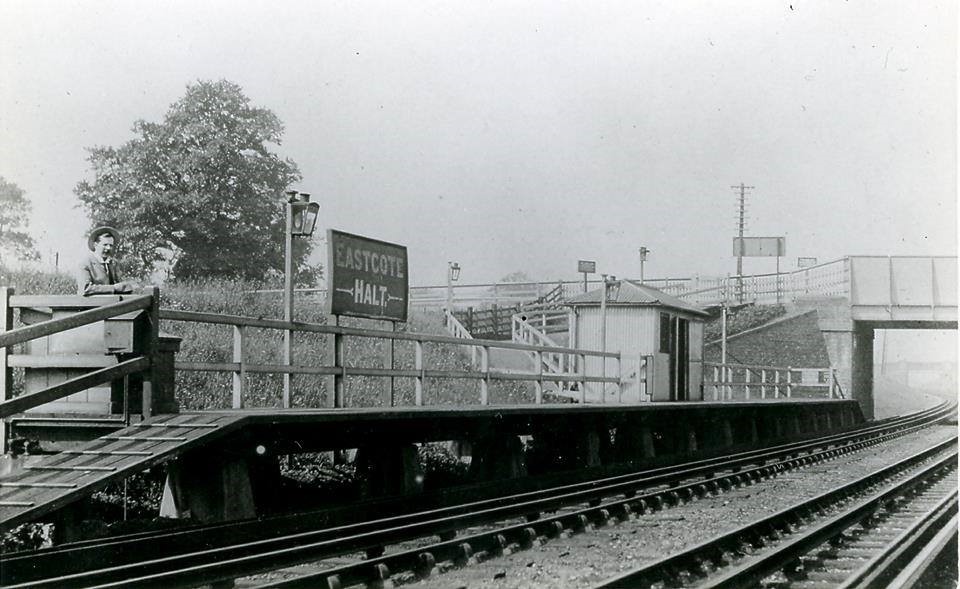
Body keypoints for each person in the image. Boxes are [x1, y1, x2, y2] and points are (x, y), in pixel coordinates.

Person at [78, 226, 137, 295]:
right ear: (95, 245)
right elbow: (85, 289)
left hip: (113, 303)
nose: (108, 248)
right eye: (105, 245)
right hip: (91, 304)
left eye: (111, 245)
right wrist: (114, 288)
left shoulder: (113, 263)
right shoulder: (85, 263)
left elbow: (120, 284)